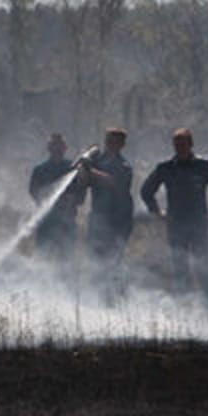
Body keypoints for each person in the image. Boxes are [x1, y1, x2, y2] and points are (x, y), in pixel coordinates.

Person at [140, 127, 208, 298]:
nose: (179, 147)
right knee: (180, 267)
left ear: (191, 144)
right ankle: (184, 307)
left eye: (183, 144)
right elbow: (146, 191)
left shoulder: (204, 166)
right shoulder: (166, 168)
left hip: (199, 224)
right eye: (176, 144)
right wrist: (156, 211)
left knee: (203, 267)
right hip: (176, 224)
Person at [75, 128, 134, 301]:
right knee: (95, 259)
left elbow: (112, 181)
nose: (109, 144)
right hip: (98, 219)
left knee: (114, 260)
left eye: (114, 141)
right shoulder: (97, 162)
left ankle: (119, 297)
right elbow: (84, 183)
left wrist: (89, 169)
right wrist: (83, 170)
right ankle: (99, 298)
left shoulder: (124, 165)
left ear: (122, 145)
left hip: (119, 220)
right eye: (108, 140)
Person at [28, 133, 80, 257]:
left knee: (66, 256)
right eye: (54, 146)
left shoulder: (73, 168)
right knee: (43, 254)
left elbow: (80, 190)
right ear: (49, 148)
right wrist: (44, 201)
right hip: (46, 218)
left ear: (65, 148)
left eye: (60, 146)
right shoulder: (40, 169)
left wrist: (71, 200)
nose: (57, 149)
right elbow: (33, 190)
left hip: (67, 219)